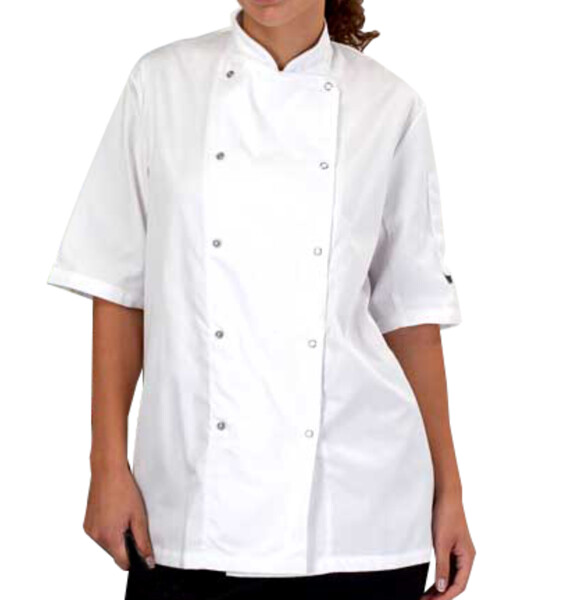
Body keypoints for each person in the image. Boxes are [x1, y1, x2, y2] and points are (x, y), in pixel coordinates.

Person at [46, 1, 476, 598]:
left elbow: (409, 317)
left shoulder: (390, 104)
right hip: (189, 509)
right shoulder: (162, 83)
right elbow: (119, 291)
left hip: (358, 515)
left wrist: (449, 491)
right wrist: (105, 465)